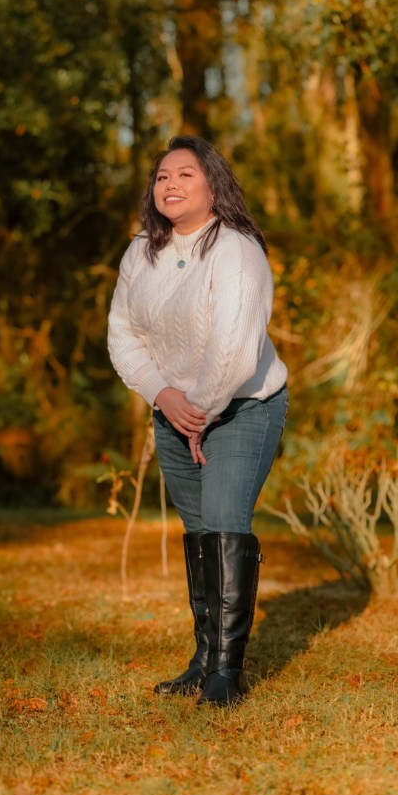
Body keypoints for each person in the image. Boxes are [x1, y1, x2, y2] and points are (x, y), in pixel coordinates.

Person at [107, 134, 288, 706]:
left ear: (213, 186)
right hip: (174, 411)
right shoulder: (141, 252)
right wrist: (163, 395)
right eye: (162, 176)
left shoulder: (236, 250)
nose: (171, 184)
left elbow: (235, 347)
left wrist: (199, 412)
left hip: (242, 407)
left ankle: (227, 674)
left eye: (185, 174)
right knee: (199, 533)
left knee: (224, 522)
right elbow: (122, 336)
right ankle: (203, 659)